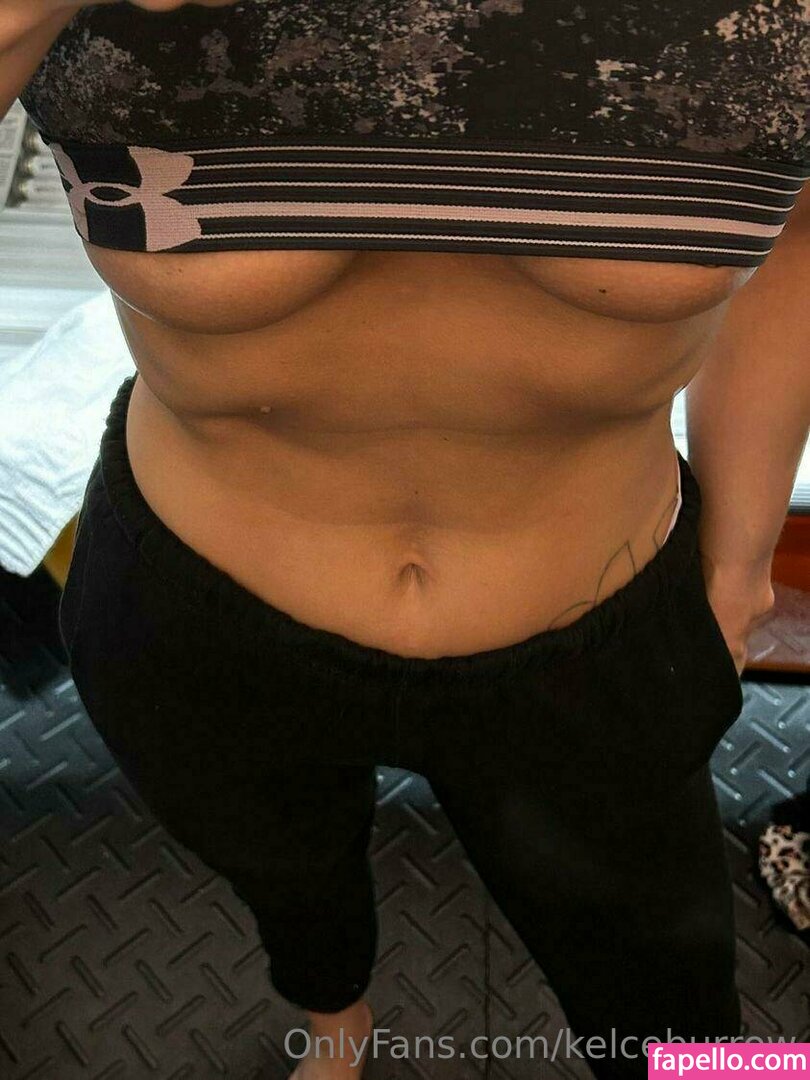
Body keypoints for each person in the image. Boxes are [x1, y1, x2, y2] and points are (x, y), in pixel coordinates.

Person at [3, 1, 808, 1076]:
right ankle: (333, 1023)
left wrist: (743, 561)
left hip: (602, 617)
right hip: (200, 609)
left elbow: (794, 233)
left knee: (682, 1004)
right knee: (286, 881)